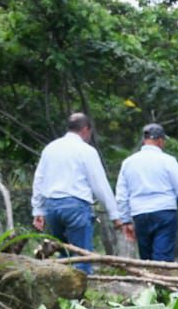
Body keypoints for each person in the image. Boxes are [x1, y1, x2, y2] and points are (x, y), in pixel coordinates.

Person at [30, 112, 118, 275]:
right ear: (85, 129)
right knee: (82, 255)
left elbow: (39, 180)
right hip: (76, 206)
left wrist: (38, 210)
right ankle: (82, 292)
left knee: (62, 253)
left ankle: (63, 290)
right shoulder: (86, 151)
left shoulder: (51, 148)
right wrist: (114, 214)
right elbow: (100, 185)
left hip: (52, 207)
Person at [114, 123, 178, 263]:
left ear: (144, 140)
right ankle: (162, 282)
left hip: (140, 213)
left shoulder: (128, 163)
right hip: (164, 212)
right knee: (163, 258)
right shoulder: (168, 161)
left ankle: (150, 282)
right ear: (160, 140)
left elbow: (121, 196)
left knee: (146, 258)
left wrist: (126, 221)